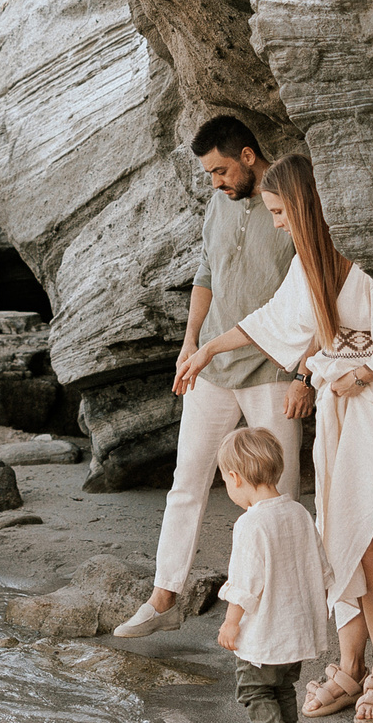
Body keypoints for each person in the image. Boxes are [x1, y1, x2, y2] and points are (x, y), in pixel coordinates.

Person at [176, 152, 373, 723]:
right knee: (338, 531)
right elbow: (272, 319)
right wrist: (206, 349)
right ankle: (349, 667)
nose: (276, 224)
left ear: (305, 206)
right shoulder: (308, 263)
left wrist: (361, 372)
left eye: (280, 212)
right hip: (341, 399)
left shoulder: (371, 256)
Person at [114, 113, 308, 638]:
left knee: (280, 490)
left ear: (248, 156)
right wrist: (190, 341)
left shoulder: (288, 203)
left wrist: (304, 375)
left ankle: (277, 603)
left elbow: (314, 292)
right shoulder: (218, 203)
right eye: (209, 175)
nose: (216, 182)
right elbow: (205, 274)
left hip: (272, 366)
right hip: (213, 365)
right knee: (187, 480)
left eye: (221, 171)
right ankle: (164, 596)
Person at [214, 426, 334, 723]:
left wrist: (231, 623)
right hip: (296, 630)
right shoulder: (298, 512)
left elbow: (244, 584)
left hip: (265, 634)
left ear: (235, 478)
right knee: (282, 688)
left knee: (254, 690)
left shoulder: (251, 524)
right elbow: (321, 570)